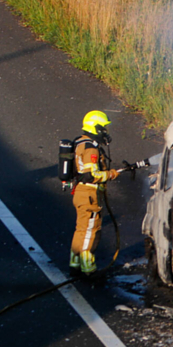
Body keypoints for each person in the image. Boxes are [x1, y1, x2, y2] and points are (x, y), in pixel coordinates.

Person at [69, 110, 118, 276]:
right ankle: (88, 269)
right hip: (89, 194)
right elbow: (92, 175)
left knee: (81, 230)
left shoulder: (80, 142)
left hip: (81, 193)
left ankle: (74, 264)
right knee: (91, 230)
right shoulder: (91, 149)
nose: (106, 133)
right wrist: (110, 174)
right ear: (96, 128)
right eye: (104, 129)